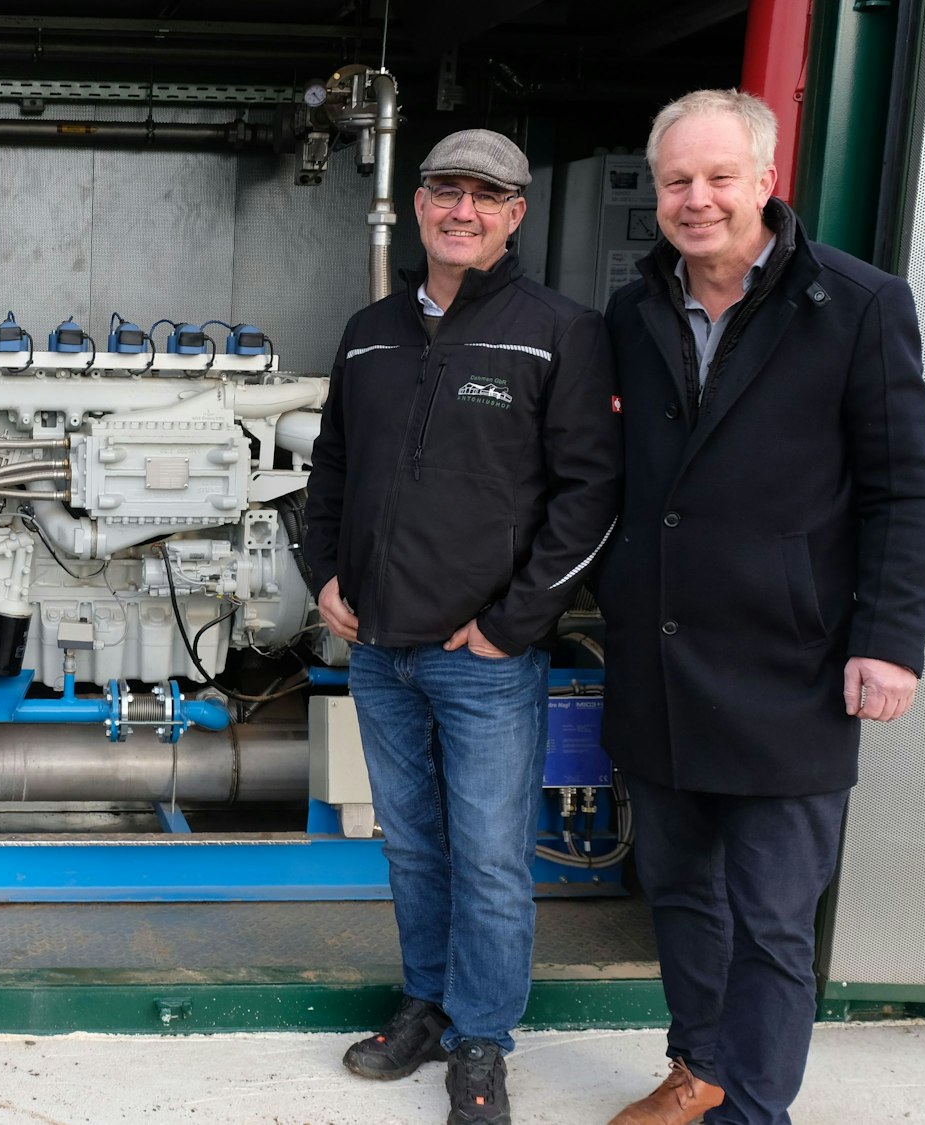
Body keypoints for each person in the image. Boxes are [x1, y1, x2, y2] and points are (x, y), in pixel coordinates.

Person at [596, 89, 925, 1125]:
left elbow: (900, 487)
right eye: (674, 181)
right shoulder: (633, 308)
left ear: (764, 179)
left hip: (790, 667)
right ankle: (694, 1071)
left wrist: (886, 644)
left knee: (771, 924)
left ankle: (752, 1110)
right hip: (658, 660)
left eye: (715, 177)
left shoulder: (855, 302)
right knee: (679, 896)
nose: (694, 200)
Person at [304, 128, 621, 1124]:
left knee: (486, 855)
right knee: (410, 847)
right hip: (379, 650)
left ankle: (481, 1042)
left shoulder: (555, 332)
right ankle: (427, 1006)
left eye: (485, 197)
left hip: (480, 657)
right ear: (418, 202)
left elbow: (590, 492)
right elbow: (332, 470)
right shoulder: (367, 331)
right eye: (445, 190)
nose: (461, 210)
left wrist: (514, 622)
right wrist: (322, 576)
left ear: (512, 215)